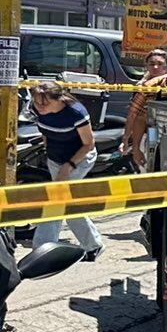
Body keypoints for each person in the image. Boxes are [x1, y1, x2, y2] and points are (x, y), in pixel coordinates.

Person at [29, 80, 107, 260]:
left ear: (60, 99)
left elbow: (88, 144)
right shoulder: (36, 109)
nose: (40, 107)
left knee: (57, 200)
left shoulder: (76, 112)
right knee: (67, 202)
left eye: (45, 103)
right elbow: (45, 133)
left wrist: (68, 166)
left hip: (79, 159)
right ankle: (93, 245)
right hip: (55, 159)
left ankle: (43, 249)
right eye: (37, 102)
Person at [123, 48, 167, 170]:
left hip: (166, 134)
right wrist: (132, 144)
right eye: (152, 64)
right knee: (149, 165)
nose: (155, 67)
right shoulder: (144, 86)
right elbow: (135, 116)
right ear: (146, 66)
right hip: (151, 133)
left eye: (160, 64)